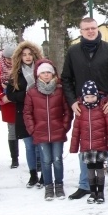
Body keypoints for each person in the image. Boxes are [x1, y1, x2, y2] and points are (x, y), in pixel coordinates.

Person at [62, 17, 108, 201]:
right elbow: (66, 79)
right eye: (86, 29)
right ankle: (85, 185)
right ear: (81, 31)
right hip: (83, 107)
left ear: (97, 29)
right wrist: (72, 102)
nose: (90, 31)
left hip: (106, 106)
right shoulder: (73, 52)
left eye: (93, 28)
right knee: (86, 147)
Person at [23, 59, 72, 200]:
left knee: (57, 159)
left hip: (58, 131)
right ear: (38, 75)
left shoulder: (60, 89)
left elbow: (67, 111)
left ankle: (59, 185)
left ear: (53, 74)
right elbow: (27, 113)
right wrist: (33, 129)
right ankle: (48, 186)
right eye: (43, 73)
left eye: (48, 72)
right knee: (45, 160)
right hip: (40, 132)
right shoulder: (32, 92)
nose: (46, 75)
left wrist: (64, 126)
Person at [70, 81, 108, 204]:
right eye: (87, 97)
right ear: (83, 97)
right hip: (87, 146)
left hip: (100, 145)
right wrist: (74, 146)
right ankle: (92, 193)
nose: (90, 99)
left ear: (97, 95)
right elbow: (76, 130)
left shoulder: (103, 107)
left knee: (100, 168)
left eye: (93, 96)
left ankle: (100, 193)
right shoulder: (80, 109)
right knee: (90, 169)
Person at [6, 41, 44, 189]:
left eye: (30, 54)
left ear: (35, 55)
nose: (27, 57)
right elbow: (10, 95)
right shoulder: (16, 73)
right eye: (24, 54)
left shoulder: (42, 70)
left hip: (40, 112)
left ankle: (43, 175)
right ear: (19, 57)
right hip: (23, 112)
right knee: (29, 146)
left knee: (41, 145)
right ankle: (33, 174)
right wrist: (27, 94)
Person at [0, 44, 19, 168]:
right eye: (8, 59)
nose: (11, 62)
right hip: (7, 102)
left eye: (13, 59)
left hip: (22, 100)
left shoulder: (21, 62)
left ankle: (36, 160)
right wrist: (1, 95)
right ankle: (14, 158)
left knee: (29, 130)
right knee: (12, 131)